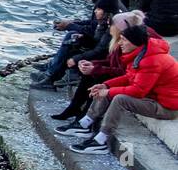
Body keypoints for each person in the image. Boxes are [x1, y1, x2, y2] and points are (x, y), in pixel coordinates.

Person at [58, 24, 178, 154]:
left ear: (135, 42)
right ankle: (85, 124)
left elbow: (138, 90)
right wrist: (106, 85)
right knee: (108, 89)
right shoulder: (143, 53)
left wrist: (108, 91)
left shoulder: (151, 60)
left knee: (120, 99)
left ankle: (102, 141)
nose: (120, 43)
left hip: (166, 107)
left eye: (124, 40)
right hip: (155, 98)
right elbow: (129, 77)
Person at [51, 10, 152, 122]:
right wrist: (93, 64)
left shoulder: (130, 45)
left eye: (111, 25)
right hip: (126, 77)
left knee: (97, 77)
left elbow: (124, 72)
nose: (109, 28)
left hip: (135, 83)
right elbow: (110, 62)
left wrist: (95, 69)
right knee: (90, 74)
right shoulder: (122, 42)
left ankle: (86, 116)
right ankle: (74, 108)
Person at [31, 0, 123, 89]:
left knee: (73, 39)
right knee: (74, 35)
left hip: (104, 52)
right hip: (101, 44)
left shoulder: (105, 8)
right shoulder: (106, 3)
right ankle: (51, 68)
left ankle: (51, 74)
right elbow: (93, 25)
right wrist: (74, 23)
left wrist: (70, 26)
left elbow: (97, 40)